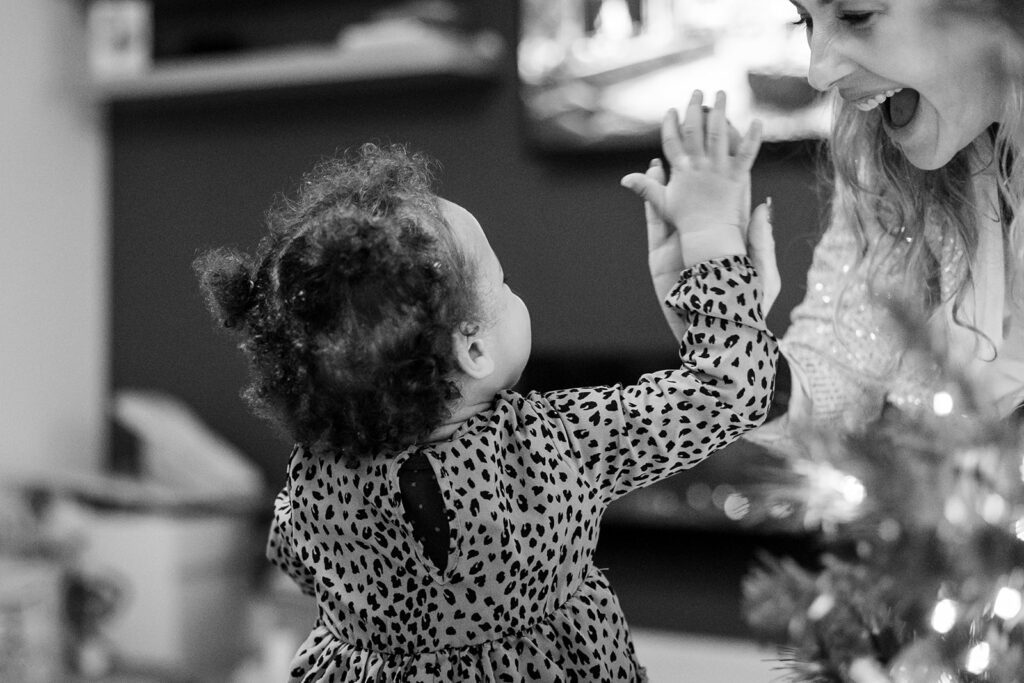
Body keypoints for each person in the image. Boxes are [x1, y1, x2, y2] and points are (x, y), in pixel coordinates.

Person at [193, 92, 777, 681]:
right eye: (506, 281)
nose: (517, 293)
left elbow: (295, 563)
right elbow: (729, 389)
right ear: (473, 349)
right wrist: (708, 237)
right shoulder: (557, 444)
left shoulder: (312, 475)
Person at [741, 0, 1024, 451]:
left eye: (855, 15)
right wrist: (728, 343)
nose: (818, 72)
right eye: (806, 20)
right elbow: (840, 364)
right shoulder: (882, 156)